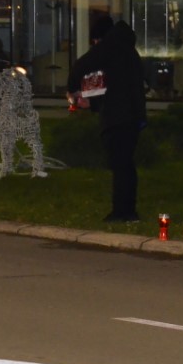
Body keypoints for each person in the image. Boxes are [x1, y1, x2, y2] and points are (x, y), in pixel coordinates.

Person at [66, 16, 147, 223]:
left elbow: (81, 66)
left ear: (99, 38)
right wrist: (93, 103)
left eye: (95, 42)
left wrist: (72, 89)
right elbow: (115, 87)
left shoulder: (109, 46)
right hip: (133, 116)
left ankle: (122, 212)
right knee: (126, 165)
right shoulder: (128, 51)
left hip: (117, 118)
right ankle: (128, 210)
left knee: (120, 166)